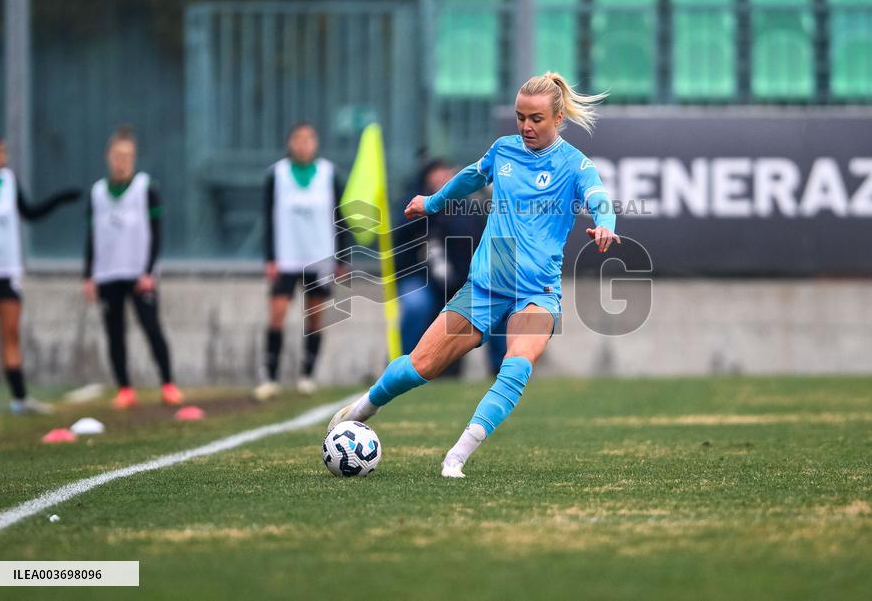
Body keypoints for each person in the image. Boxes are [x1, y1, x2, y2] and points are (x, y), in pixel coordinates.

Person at [328, 72, 619, 477]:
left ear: (557, 118)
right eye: (520, 117)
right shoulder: (504, 150)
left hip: (537, 290)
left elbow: (599, 198)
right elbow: (470, 175)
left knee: (517, 363)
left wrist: (606, 224)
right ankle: (362, 408)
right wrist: (433, 202)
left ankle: (456, 457)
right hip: (486, 284)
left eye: (536, 118)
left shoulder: (574, 164)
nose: (526, 126)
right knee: (419, 367)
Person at [0, 131, 80, 416]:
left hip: (6, 272)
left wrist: (60, 199)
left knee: (10, 334)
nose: (4, 156)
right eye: (0, 151)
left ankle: (20, 399)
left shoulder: (9, 181)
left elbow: (30, 212)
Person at [82, 126, 182, 409]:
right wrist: (88, 275)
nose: (122, 160)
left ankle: (168, 383)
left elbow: (157, 231)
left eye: (127, 155)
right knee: (114, 332)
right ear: (108, 157)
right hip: (108, 273)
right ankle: (125, 388)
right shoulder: (98, 192)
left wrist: (149, 271)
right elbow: (91, 236)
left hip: (140, 273)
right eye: (117, 155)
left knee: (152, 327)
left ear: (134, 157)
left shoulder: (145, 187)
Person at [254, 122, 349, 401]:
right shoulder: (277, 174)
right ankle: (270, 377)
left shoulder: (329, 174)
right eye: (298, 139)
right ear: (290, 142)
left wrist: (341, 258)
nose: (303, 144)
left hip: (320, 256)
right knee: (277, 313)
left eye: (309, 139)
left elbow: (341, 216)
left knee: (315, 316)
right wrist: (270, 257)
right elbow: (268, 217)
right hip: (286, 256)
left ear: (316, 143)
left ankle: (307, 376)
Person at [394, 159, 506, 375]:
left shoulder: (467, 206)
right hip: (421, 279)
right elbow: (399, 235)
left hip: (462, 281)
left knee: (498, 305)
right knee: (417, 305)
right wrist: (431, 209)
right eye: (436, 173)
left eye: (446, 172)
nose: (442, 177)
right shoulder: (413, 202)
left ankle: (502, 370)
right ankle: (401, 368)